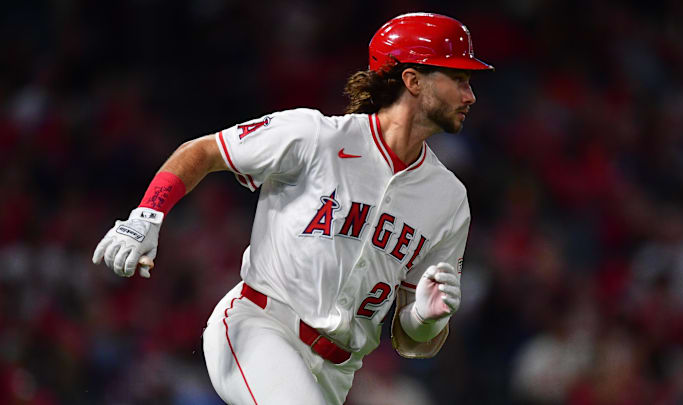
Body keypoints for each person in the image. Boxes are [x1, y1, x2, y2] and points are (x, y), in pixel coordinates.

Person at [92, 12, 493, 405]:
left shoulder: (449, 198)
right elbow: (204, 150)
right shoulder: (315, 136)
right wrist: (147, 214)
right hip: (260, 328)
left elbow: (411, 344)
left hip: (337, 372)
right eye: (458, 79)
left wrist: (426, 321)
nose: (470, 95)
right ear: (413, 80)